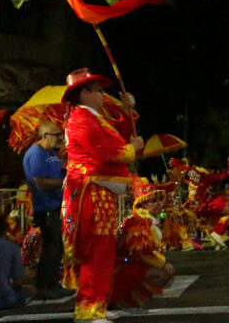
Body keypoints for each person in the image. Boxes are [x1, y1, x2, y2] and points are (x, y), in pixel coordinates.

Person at [61, 68, 143, 323]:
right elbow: (108, 152)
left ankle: (97, 306)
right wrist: (133, 149)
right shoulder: (80, 120)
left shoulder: (94, 117)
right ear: (84, 93)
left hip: (100, 193)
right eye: (99, 91)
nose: (103, 96)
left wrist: (127, 111)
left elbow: (118, 136)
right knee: (96, 251)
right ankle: (88, 311)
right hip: (89, 192)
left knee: (104, 251)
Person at [23, 120, 72, 300]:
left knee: (57, 247)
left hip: (57, 206)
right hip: (47, 207)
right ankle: (45, 285)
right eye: (56, 135)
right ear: (44, 136)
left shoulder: (51, 153)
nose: (60, 138)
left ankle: (53, 283)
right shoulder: (36, 153)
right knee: (52, 247)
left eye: (61, 135)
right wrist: (64, 183)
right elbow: (40, 182)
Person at [110, 178, 176, 311]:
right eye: (153, 201)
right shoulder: (141, 221)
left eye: (159, 200)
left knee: (164, 270)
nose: (158, 204)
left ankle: (128, 299)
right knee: (166, 271)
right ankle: (123, 299)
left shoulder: (145, 218)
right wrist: (163, 263)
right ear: (143, 204)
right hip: (122, 266)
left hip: (129, 263)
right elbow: (141, 252)